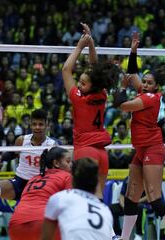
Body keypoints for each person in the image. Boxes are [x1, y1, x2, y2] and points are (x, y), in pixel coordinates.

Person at [114, 32, 165, 240]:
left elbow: (121, 105)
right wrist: (133, 50)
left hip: (153, 148)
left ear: (156, 87)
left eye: (149, 82)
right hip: (140, 150)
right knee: (132, 196)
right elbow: (132, 73)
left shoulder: (150, 98)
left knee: (154, 197)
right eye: (145, 81)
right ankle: (125, 238)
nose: (145, 84)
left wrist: (122, 87)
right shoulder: (144, 91)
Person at [0, 109, 57, 238]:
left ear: (47, 125)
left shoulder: (52, 145)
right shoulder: (21, 140)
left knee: (33, 225)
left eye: (41, 124)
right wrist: (1, 158)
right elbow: (13, 154)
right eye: (34, 124)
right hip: (20, 182)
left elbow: (57, 168)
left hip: (39, 187)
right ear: (30, 125)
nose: (37, 127)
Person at [62, 23, 120, 199]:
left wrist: (80, 47)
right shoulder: (102, 94)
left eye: (83, 83)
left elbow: (66, 69)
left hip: (85, 149)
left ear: (92, 85)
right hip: (102, 154)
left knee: (82, 199)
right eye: (79, 81)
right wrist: (91, 44)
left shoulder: (79, 99)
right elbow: (96, 69)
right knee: (99, 199)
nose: (79, 84)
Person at [9, 147, 72, 240]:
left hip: (15, 225)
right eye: (68, 161)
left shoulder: (33, 179)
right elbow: (70, 205)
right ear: (56, 163)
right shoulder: (66, 176)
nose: (71, 164)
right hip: (43, 224)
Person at [41, 158, 113, 240]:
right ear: (97, 183)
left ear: (73, 179)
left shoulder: (60, 198)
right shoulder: (105, 210)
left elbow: (46, 237)